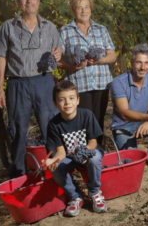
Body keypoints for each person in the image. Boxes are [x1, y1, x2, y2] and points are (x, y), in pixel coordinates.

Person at [0, 0, 61, 179]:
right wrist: (0, 89)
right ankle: (18, 177)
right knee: (18, 132)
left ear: (38, 1)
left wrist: (58, 53)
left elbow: (58, 52)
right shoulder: (8, 27)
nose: (29, 1)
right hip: (17, 84)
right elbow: (1, 57)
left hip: (45, 83)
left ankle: (54, 176)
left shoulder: (50, 27)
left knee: (50, 129)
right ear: (19, 3)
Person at [57, 0, 117, 145]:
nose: (83, 11)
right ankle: (81, 153)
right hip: (78, 83)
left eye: (86, 7)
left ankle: (97, 151)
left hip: (101, 82)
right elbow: (56, 59)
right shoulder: (65, 31)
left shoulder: (101, 29)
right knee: (82, 119)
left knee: (98, 118)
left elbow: (112, 55)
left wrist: (100, 60)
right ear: (73, 10)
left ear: (91, 9)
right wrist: (70, 66)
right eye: (79, 8)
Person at [44, 80, 107, 217]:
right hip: (69, 157)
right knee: (57, 169)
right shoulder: (54, 124)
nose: (67, 103)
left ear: (78, 100)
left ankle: (94, 192)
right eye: (62, 99)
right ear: (55, 103)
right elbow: (61, 152)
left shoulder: (87, 115)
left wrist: (83, 153)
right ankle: (75, 196)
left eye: (71, 98)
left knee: (95, 157)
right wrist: (52, 161)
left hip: (88, 152)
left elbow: (93, 143)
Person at [110, 43, 148, 169]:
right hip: (123, 125)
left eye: (146, 63)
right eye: (139, 62)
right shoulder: (118, 82)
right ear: (131, 63)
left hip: (143, 121)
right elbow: (124, 113)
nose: (143, 67)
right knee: (132, 163)